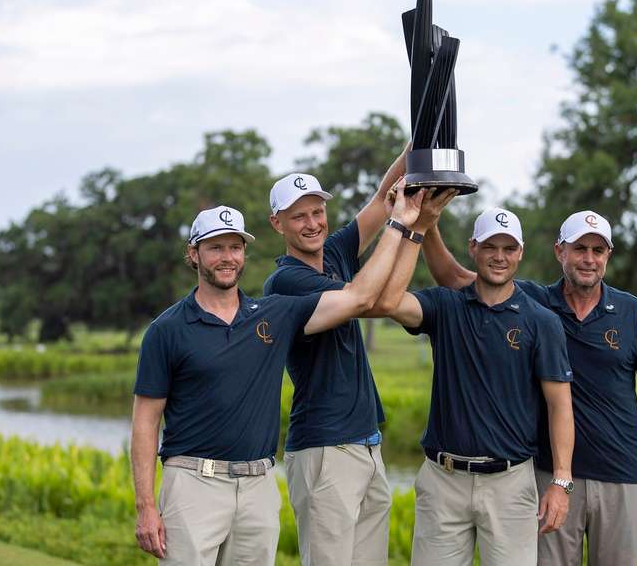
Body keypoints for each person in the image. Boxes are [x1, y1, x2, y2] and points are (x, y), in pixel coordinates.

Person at [130, 191, 425, 566]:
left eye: (234, 247)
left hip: (258, 485)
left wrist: (406, 220)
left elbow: (359, 298)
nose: (227, 258)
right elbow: (144, 423)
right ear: (194, 254)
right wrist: (146, 507)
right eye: (215, 248)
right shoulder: (167, 329)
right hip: (193, 482)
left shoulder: (273, 314)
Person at [422, 209, 637, 566]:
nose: (588, 259)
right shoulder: (531, 302)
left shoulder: (632, 312)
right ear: (559, 252)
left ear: (608, 256)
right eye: (579, 248)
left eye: (598, 251)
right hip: (550, 477)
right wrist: (427, 224)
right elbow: (454, 277)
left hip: (621, 475)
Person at [372, 206, 574, 566]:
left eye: (508, 248)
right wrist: (416, 230)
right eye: (490, 246)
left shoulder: (541, 321)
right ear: (472, 248)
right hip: (443, 479)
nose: (499, 257)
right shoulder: (444, 306)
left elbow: (559, 405)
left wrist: (561, 481)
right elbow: (388, 301)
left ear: (521, 252)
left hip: (510, 484)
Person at [261, 151, 408, 566]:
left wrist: (421, 136)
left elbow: (383, 198)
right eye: (299, 217)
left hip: (366, 443)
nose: (312, 224)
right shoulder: (285, 282)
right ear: (278, 224)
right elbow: (361, 298)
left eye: (317, 212)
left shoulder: (337, 252)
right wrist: (402, 225)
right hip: (325, 447)